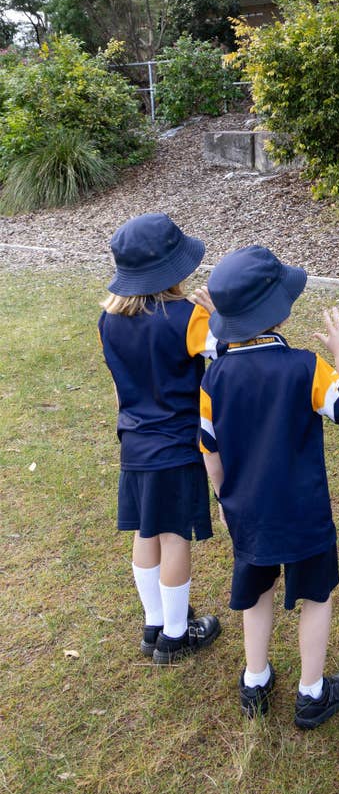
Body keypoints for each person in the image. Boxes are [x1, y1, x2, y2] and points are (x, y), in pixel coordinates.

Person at [198, 245, 339, 729]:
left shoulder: (215, 376)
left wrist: (223, 499)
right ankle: (312, 694)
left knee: (256, 592)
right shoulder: (306, 366)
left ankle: (255, 681)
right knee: (317, 593)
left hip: (245, 508)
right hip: (303, 510)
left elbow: (210, 449)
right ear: (278, 310)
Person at [98, 213, 221, 665]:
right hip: (176, 446)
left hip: (134, 445)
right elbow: (226, 349)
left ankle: (154, 623)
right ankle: (175, 636)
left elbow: (118, 385)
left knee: (145, 530)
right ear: (173, 271)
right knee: (174, 538)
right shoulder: (187, 317)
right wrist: (216, 314)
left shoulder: (106, 321)